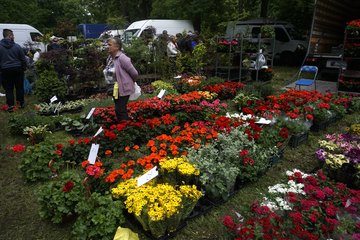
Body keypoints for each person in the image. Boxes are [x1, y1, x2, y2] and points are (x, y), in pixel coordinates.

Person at [107, 37, 138, 121]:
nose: (107, 46)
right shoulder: (110, 58)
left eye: (110, 45)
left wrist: (130, 82)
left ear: (117, 47)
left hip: (123, 87)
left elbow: (134, 73)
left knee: (120, 109)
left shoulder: (122, 58)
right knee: (118, 109)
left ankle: (126, 127)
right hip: (114, 87)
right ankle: (122, 127)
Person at [0, 29, 27, 111]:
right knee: (19, 87)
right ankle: (20, 103)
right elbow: (23, 59)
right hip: (17, 69)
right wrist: (23, 68)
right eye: (12, 35)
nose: (13, 37)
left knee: (8, 89)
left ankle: (11, 105)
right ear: (9, 36)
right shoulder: (17, 46)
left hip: (5, 70)